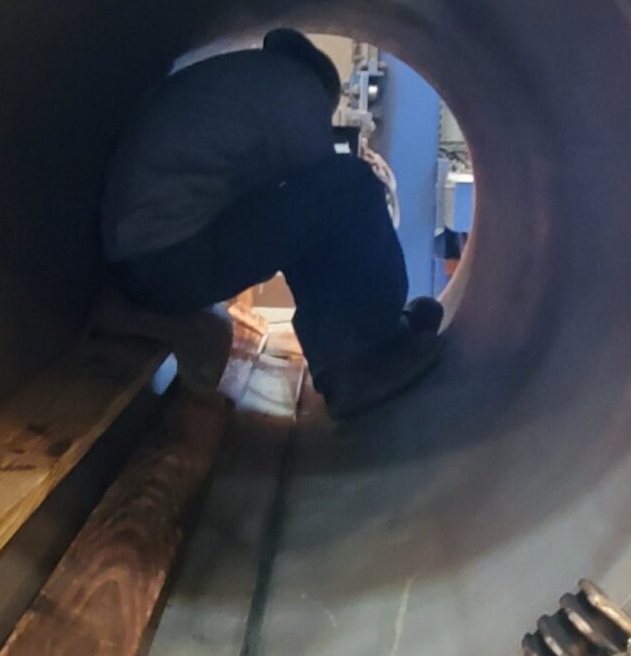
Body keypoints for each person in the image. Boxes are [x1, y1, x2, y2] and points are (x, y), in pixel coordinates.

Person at [102, 29, 443, 418]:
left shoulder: (239, 80)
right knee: (351, 184)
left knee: (314, 205)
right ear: (324, 90)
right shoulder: (297, 90)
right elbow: (327, 207)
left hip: (145, 262)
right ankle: (358, 359)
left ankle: (375, 337)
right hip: (171, 262)